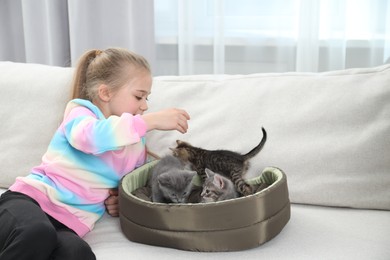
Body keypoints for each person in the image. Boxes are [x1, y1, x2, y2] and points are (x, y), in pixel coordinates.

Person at [0, 48, 190, 260]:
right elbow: (93, 139)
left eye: (147, 98)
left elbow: (129, 184)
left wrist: (121, 200)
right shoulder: (81, 114)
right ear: (105, 93)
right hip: (30, 201)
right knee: (36, 233)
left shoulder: (136, 144)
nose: (144, 106)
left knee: (78, 253)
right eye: (139, 96)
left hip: (69, 224)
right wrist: (151, 121)